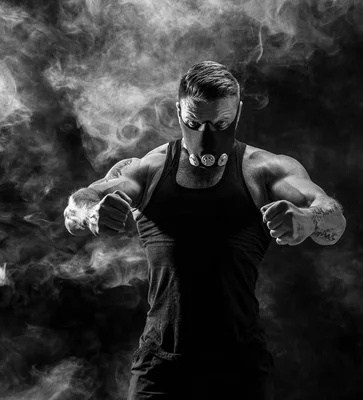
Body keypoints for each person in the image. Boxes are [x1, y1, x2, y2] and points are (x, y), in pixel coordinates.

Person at [63, 61, 346, 400]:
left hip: (240, 366)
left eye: (221, 123)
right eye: (194, 123)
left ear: (238, 113)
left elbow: (333, 218)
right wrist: (91, 211)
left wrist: (308, 220)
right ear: (178, 111)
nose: (207, 135)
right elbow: (77, 206)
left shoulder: (265, 169)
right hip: (161, 367)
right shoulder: (149, 169)